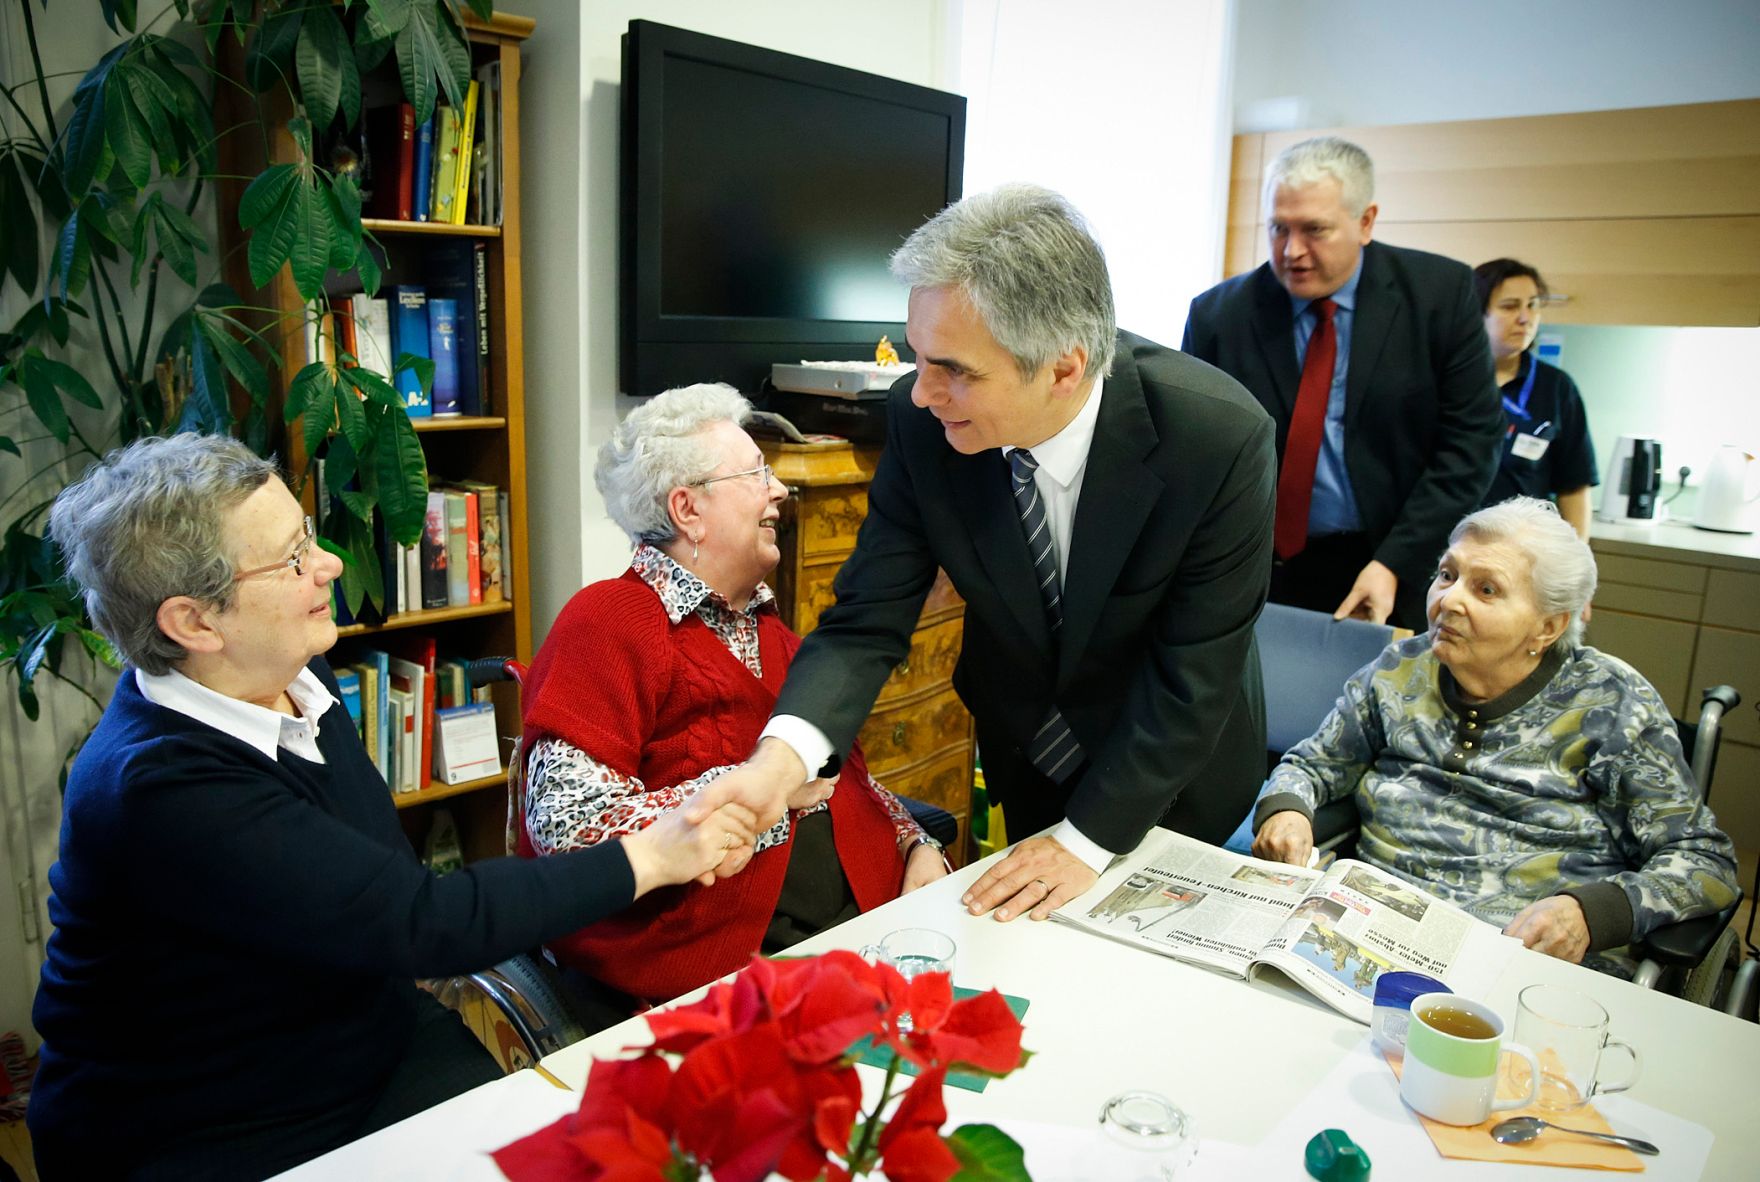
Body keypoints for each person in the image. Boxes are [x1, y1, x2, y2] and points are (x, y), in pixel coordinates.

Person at [27, 434, 755, 1182]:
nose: (330, 564)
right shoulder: (158, 789)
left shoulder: (290, 669)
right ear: (195, 623)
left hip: (350, 1045)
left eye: (306, 537)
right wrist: (652, 855)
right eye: (291, 559)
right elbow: (421, 921)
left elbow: (382, 884)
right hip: (210, 1129)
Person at [715, 183, 1277, 925]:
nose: (922, 394)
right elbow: (866, 622)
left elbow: (1191, 682)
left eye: (956, 370)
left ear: (1064, 369)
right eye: (918, 358)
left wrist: (1085, 842)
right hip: (1031, 745)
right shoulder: (924, 428)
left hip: (1176, 773)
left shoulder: (1218, 439)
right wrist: (778, 760)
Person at [516, 383, 947, 1027]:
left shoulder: (779, 637)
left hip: (878, 934)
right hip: (740, 978)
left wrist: (914, 843)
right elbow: (567, 826)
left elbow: (844, 780)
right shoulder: (610, 620)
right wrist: (748, 792)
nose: (779, 491)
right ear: (688, 509)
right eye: (757, 473)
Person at [1249, 497, 1738, 976]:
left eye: (1486, 590)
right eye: (1447, 574)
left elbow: (1704, 862)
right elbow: (1312, 764)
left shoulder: (1611, 704)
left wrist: (1592, 913)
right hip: (1368, 935)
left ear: (1548, 626)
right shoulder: (1400, 670)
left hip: (1527, 962)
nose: (1448, 600)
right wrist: (1289, 808)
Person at [1182, 136, 1502, 630]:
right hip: (1253, 565)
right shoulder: (1220, 316)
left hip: (1393, 557)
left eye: (1315, 230)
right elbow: (1193, 450)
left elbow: (1470, 445)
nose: (1292, 251)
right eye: (1278, 228)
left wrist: (1396, 561)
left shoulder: (1439, 297)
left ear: (1366, 221)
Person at [1474, 257, 1599, 538]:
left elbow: (1574, 487)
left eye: (1532, 305)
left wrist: (1575, 566)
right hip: (1449, 550)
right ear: (1476, 312)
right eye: (1509, 306)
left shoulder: (1557, 388)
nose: (1525, 317)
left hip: (1525, 551)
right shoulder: (1447, 381)